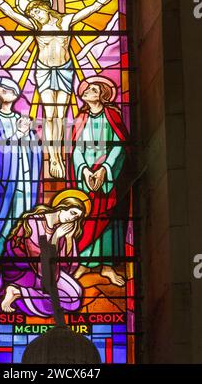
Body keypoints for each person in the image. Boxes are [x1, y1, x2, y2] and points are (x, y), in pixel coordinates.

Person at [0, 0, 125, 179]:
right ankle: (54, 157)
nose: (35, 17)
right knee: (49, 115)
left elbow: (94, 7)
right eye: (32, 15)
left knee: (60, 115)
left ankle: (59, 153)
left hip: (65, 71)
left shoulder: (66, 21)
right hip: (44, 70)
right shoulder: (34, 25)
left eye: (37, 12)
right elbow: (9, 12)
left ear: (46, 8)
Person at [0, 77, 42, 293]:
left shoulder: (20, 118)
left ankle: (22, 263)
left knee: (23, 222)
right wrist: (18, 134)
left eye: (13, 89)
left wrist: (29, 138)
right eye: (4, 89)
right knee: (2, 223)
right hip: (4, 186)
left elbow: (35, 151)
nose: (11, 91)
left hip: (25, 179)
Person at [68, 76, 130, 286]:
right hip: (85, 177)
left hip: (108, 176)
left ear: (102, 93)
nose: (86, 91)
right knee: (86, 216)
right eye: (85, 90)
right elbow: (76, 148)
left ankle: (107, 266)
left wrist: (105, 169)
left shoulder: (112, 115)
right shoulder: (81, 118)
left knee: (108, 217)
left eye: (92, 89)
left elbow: (120, 145)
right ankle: (84, 262)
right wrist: (84, 171)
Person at [0, 189, 91, 315]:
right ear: (62, 207)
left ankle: (20, 293)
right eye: (72, 213)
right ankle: (15, 289)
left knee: (75, 299)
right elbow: (36, 256)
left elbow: (68, 265)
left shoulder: (62, 229)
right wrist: (55, 237)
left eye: (76, 217)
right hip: (24, 270)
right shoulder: (34, 221)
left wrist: (69, 239)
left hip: (49, 271)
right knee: (67, 299)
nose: (72, 218)